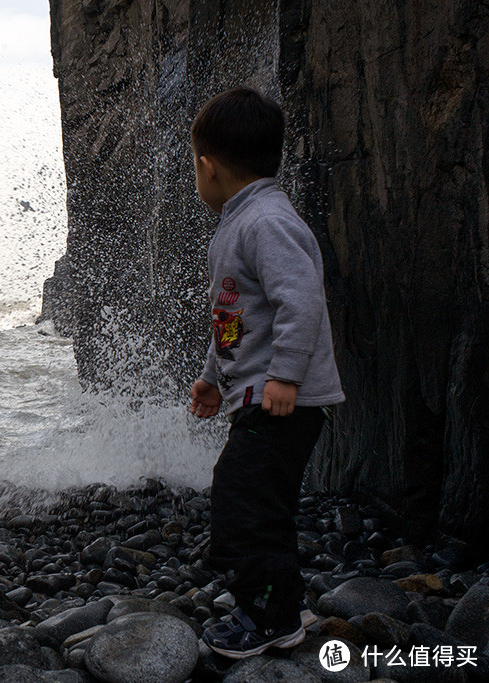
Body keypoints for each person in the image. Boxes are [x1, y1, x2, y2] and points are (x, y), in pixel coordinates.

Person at [187, 87, 345, 659]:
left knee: (245, 504)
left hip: (282, 400)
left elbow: (300, 301)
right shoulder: (238, 223)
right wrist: (213, 374)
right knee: (255, 501)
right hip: (259, 394)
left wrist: (284, 376)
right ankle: (278, 600)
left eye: (194, 166)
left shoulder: (266, 222)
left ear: (207, 165)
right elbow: (231, 320)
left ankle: (272, 618)